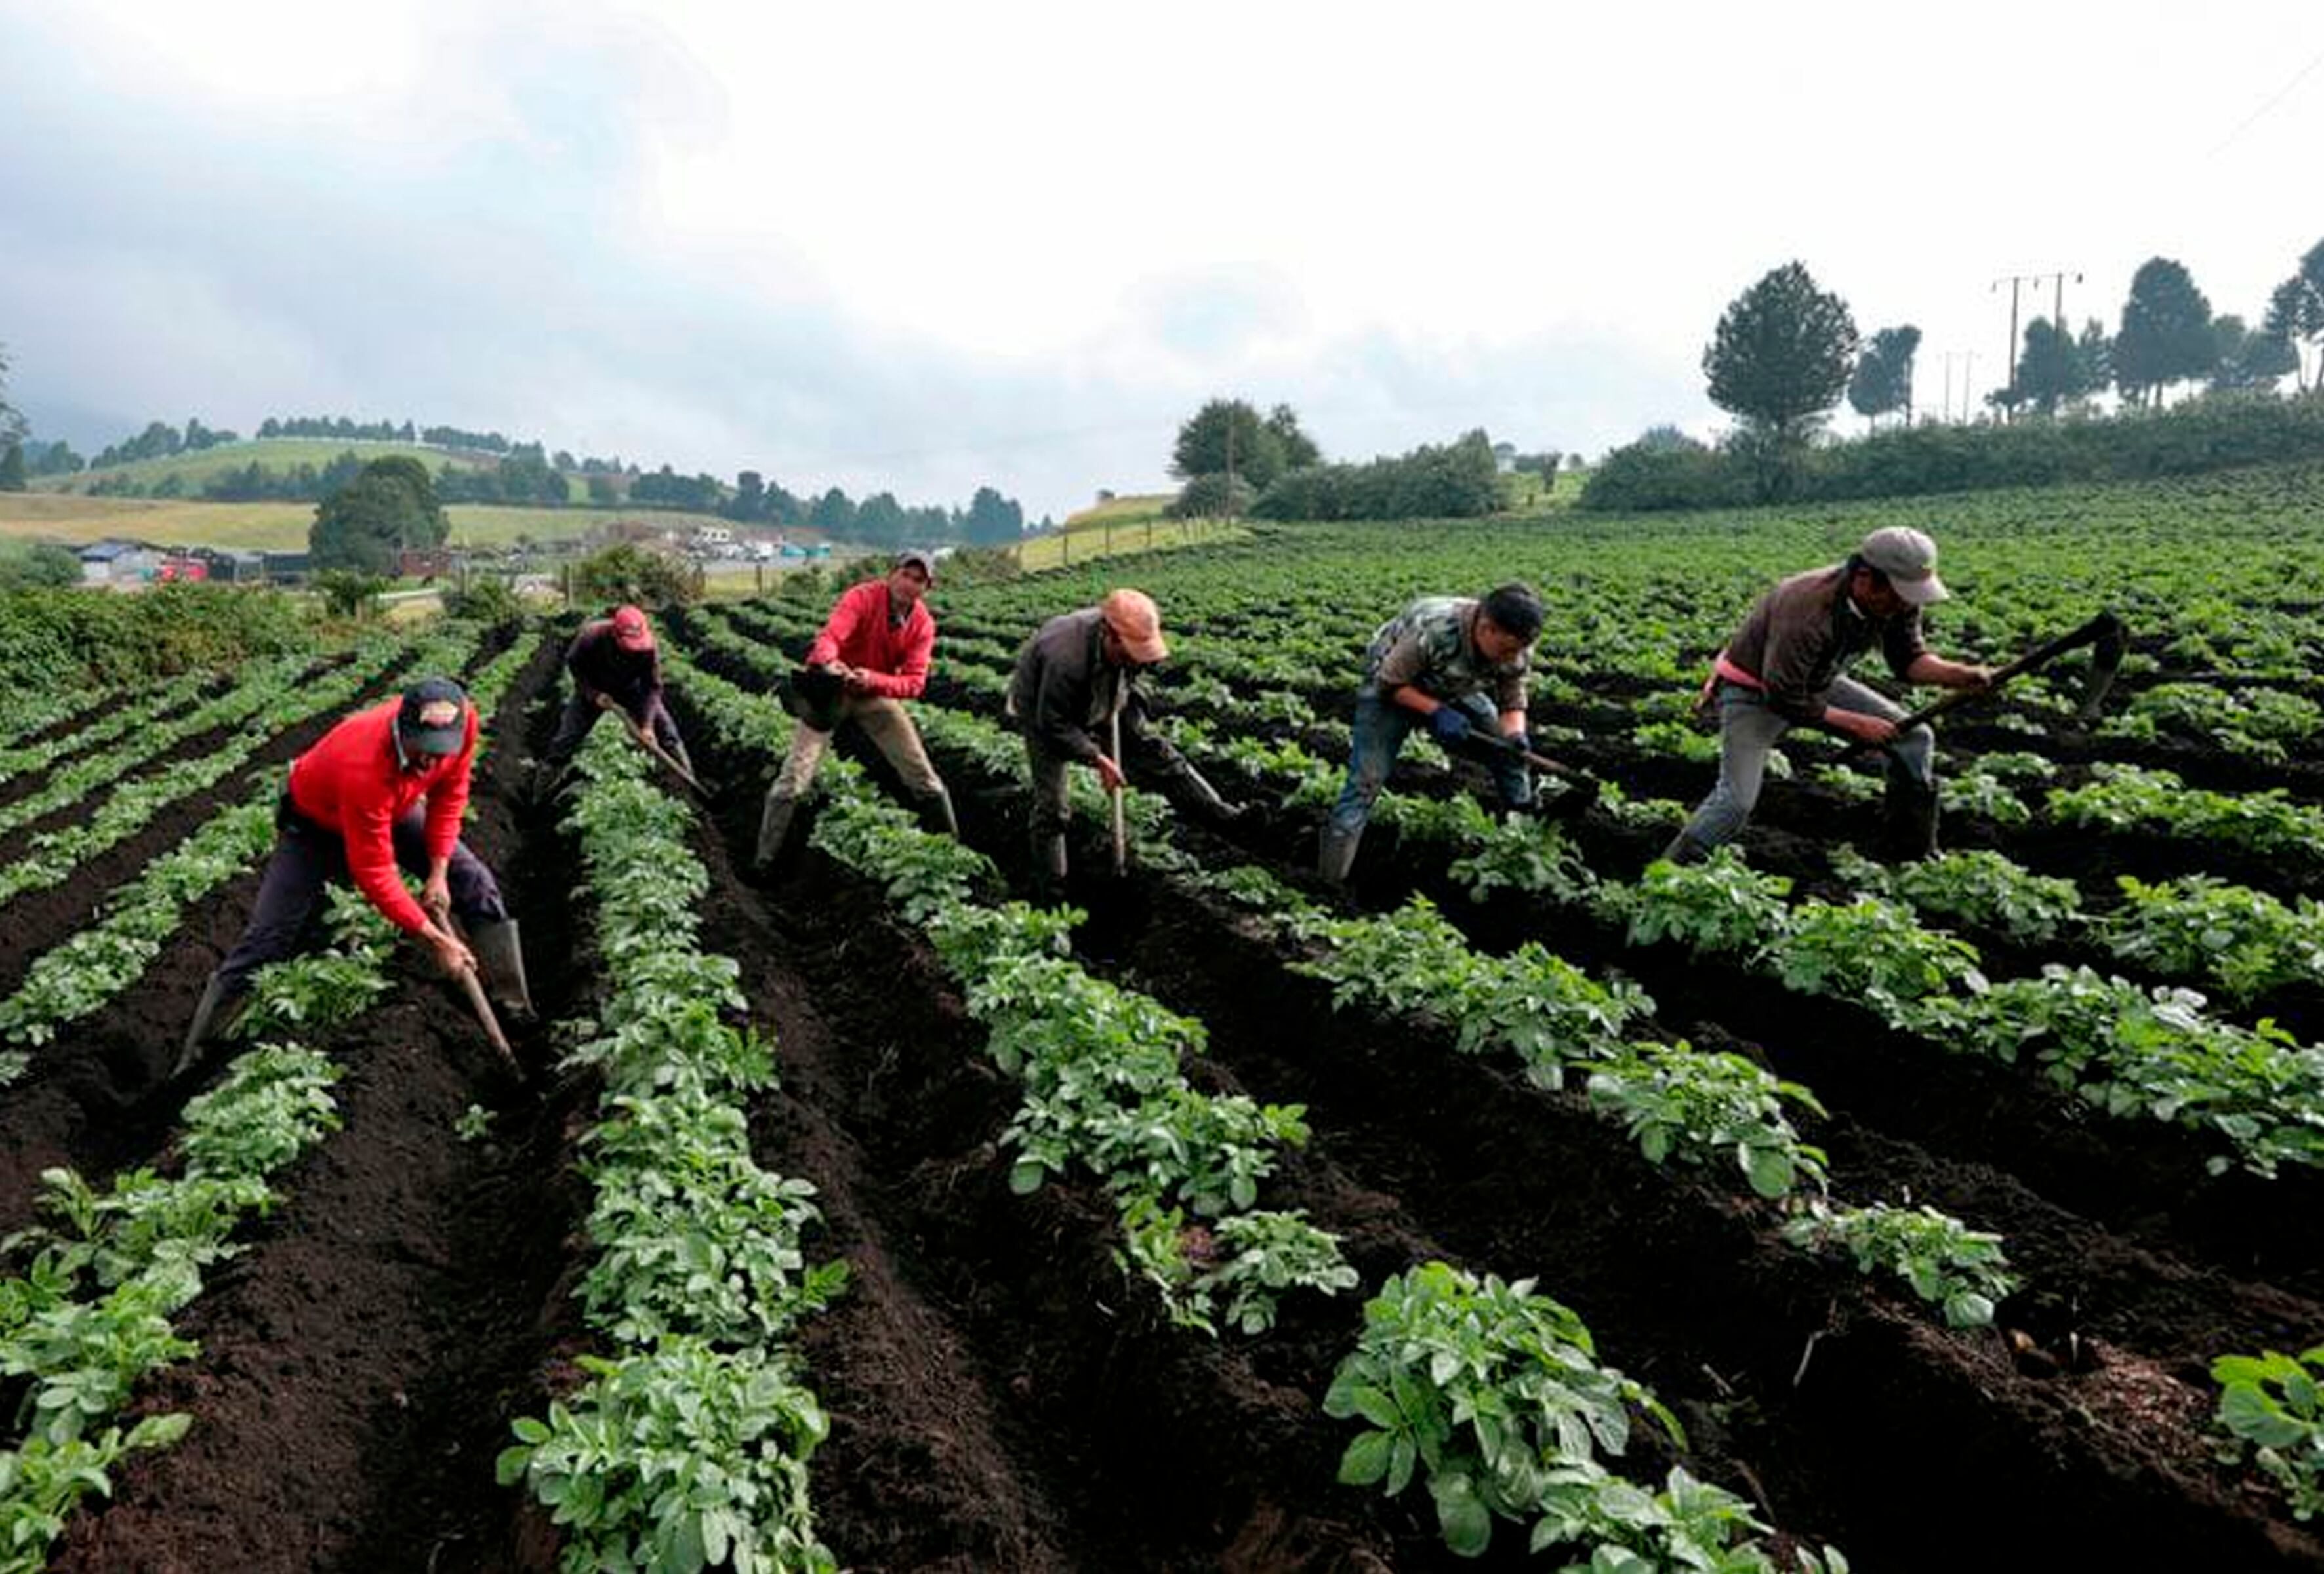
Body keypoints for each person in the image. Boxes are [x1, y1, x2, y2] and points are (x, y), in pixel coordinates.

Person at [176, 677, 533, 1077]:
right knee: (271, 937)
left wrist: (438, 871)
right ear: (403, 728)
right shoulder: (364, 764)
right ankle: (197, 1056)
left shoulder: (463, 724)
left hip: (394, 809)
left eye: (441, 751)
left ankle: (511, 1005)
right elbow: (375, 871)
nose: (432, 762)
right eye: (424, 750)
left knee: (474, 881)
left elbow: (451, 794)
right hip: (314, 824)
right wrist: (436, 939)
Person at [1663, 525, 1993, 866]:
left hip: (1817, 680)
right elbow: (1783, 696)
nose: (1902, 606)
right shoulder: (1806, 607)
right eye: (1896, 595)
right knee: (1736, 801)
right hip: (1756, 691)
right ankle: (1672, 870)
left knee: (1914, 738)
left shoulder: (1901, 600)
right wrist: (1854, 724)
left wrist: (1959, 675)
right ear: (1865, 577)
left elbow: (1908, 660)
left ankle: (1908, 853)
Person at [1007, 588, 1242, 895]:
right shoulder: (1065, 657)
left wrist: (1131, 717)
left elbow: (1130, 683)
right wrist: (1096, 757)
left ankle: (1221, 814)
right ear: (1110, 636)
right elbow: (1053, 723)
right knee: (1054, 808)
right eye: (1131, 652)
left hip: (1104, 682)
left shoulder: (1125, 649)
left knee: (1153, 748)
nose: (1138, 659)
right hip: (1043, 711)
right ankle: (1051, 887)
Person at [1317, 583, 1548, 884]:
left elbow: (1512, 700)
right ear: (1486, 628)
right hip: (1391, 687)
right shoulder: (1436, 630)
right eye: (1505, 650)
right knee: (1365, 783)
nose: (1509, 658)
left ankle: (1521, 836)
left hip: (1452, 686)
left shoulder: (1516, 646)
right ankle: (1328, 882)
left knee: (1509, 756)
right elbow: (1389, 683)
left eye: (1515, 652)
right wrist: (1435, 711)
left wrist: (1515, 736)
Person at [752, 549, 958, 874]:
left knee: (921, 774)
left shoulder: (922, 624)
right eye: (905, 575)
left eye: (918, 580)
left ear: (926, 588)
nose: (909, 584)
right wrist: (831, 664)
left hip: (874, 692)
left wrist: (873, 679)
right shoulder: (862, 597)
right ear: (892, 574)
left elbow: (915, 683)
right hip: (832, 690)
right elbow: (831, 638)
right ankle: (764, 861)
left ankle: (953, 855)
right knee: (794, 778)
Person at [536, 603, 692, 786]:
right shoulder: (591, 636)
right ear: (614, 634)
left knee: (668, 732)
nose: (633, 650)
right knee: (567, 737)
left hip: (632, 690)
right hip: (596, 688)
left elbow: (653, 687)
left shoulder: (648, 648)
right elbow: (575, 666)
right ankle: (543, 790)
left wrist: (648, 725)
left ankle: (688, 784)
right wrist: (593, 694)